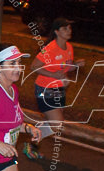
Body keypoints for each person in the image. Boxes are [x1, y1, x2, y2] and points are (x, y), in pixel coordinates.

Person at [24, 17, 84, 159]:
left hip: (59, 89)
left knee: (55, 123)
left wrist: (75, 65)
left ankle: (32, 141)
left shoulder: (69, 47)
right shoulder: (50, 48)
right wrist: (55, 75)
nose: (69, 31)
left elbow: (64, 67)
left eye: (69, 28)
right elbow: (34, 67)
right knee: (56, 124)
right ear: (56, 32)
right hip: (45, 89)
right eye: (65, 28)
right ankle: (31, 144)